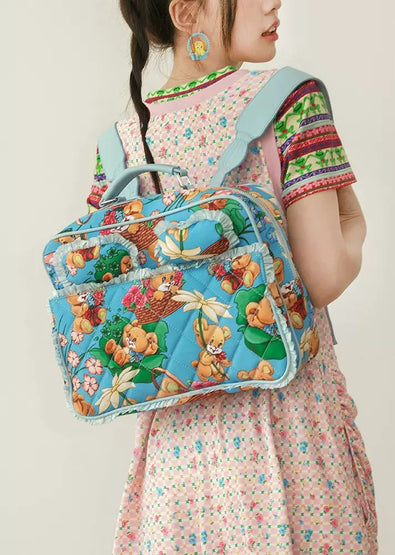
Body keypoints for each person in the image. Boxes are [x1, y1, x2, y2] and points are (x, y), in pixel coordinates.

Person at [86, 1, 378, 552]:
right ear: (186, 12)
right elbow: (323, 276)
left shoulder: (117, 149)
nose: (274, 3)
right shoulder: (290, 101)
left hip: (177, 473)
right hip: (289, 442)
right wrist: (355, 226)